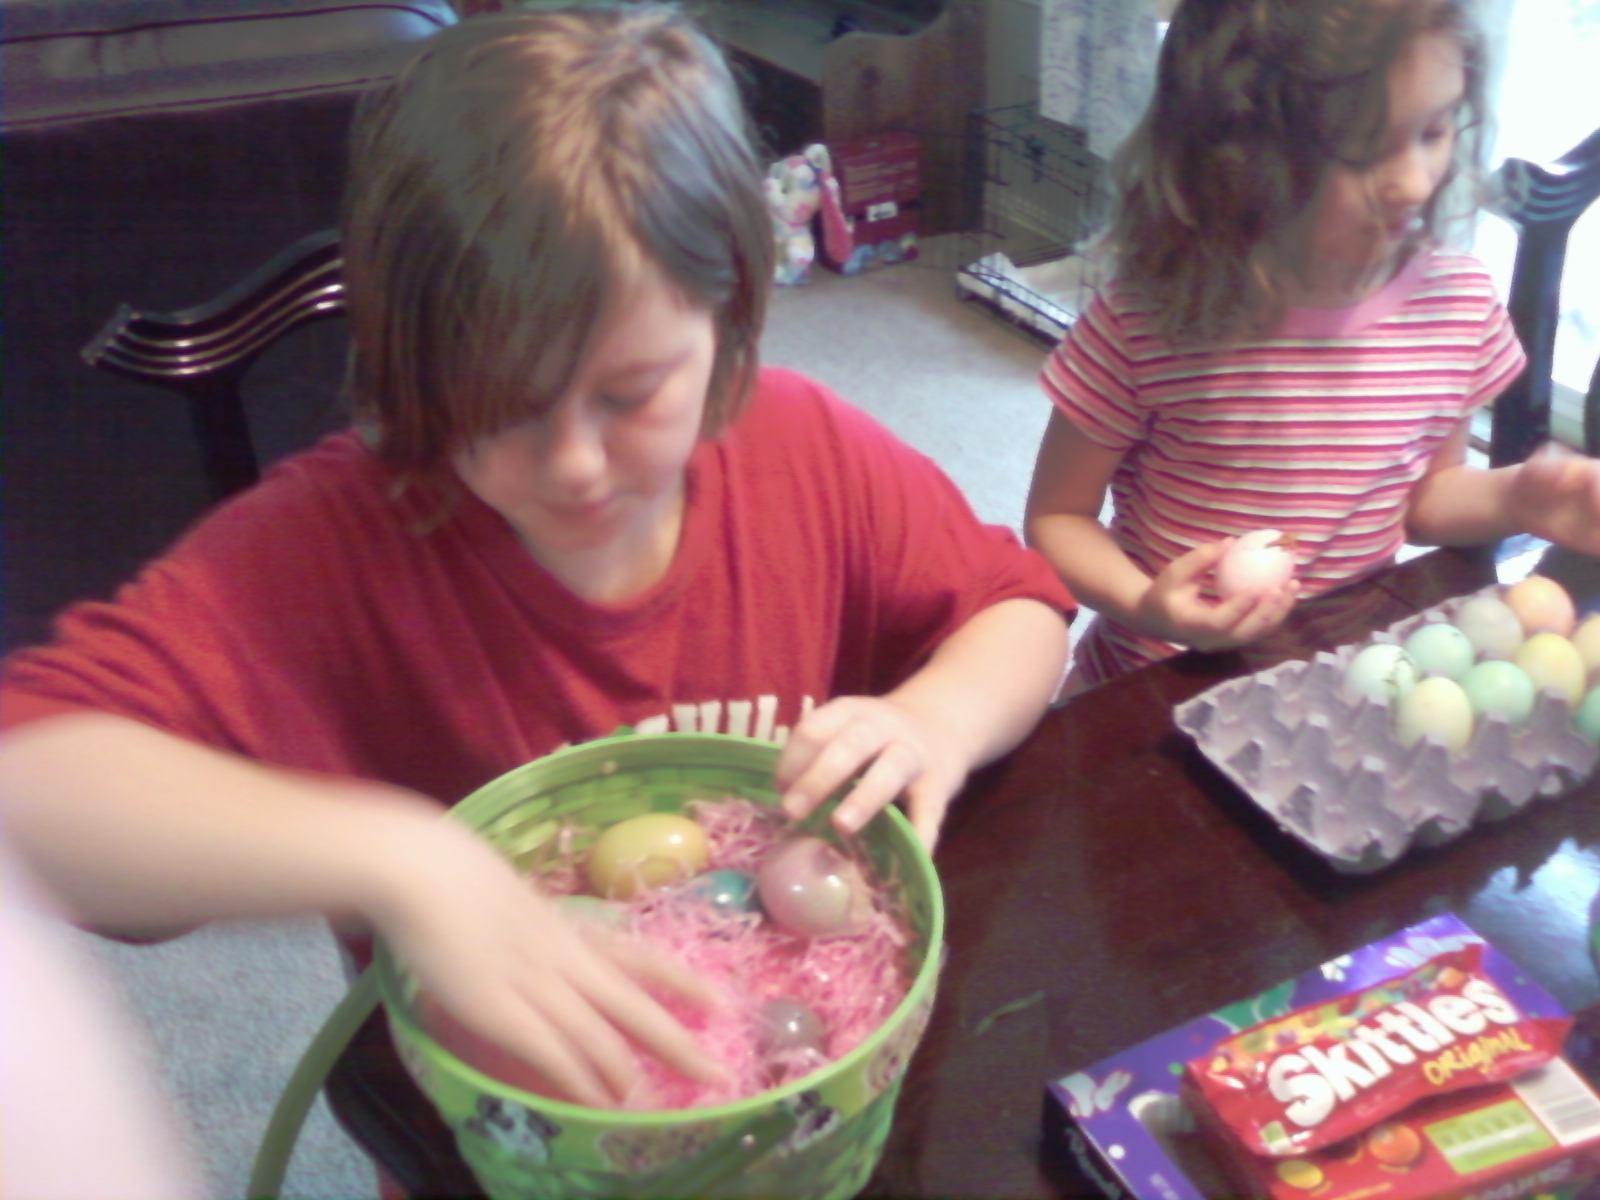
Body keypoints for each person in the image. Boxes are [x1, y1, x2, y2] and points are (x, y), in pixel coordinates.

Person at [0, 5, 1073, 1113]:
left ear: (730, 323)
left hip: (799, 1099)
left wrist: (935, 718)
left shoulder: (805, 453)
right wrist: (401, 857)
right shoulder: (335, 545)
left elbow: (1020, 607)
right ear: (408, 359)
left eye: (630, 393)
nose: (571, 465)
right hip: (504, 1132)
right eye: (503, 402)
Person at [1025, 0, 1600, 692]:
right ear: (1237, 151)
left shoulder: (1458, 305)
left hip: (1335, 688)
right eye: (1363, 150)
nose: (1415, 182)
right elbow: (1058, 517)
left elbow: (1424, 498)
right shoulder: (1153, 315)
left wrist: (1517, 500)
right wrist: (1148, 604)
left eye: (1435, 129)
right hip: (1154, 688)